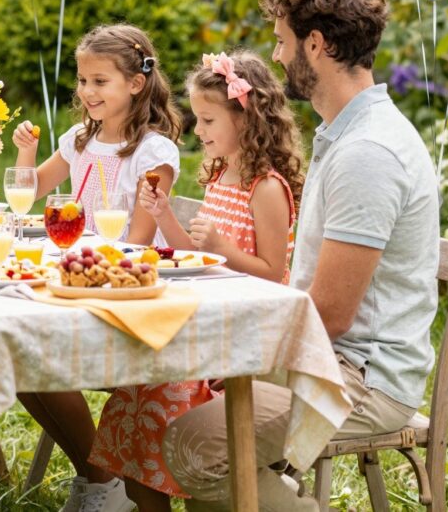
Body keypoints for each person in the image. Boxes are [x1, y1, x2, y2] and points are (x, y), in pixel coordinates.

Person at [162, 0, 440, 511]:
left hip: (358, 378)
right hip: (326, 354)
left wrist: (245, 341)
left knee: (195, 443)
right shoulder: (346, 134)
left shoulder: (368, 154)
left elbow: (331, 315)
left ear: (315, 44)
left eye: (283, 41)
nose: (279, 55)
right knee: (188, 400)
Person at [90, 49, 304, 511]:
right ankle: (143, 495)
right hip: (206, 326)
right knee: (133, 395)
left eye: (208, 121)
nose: (198, 131)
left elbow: (274, 275)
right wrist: (164, 215)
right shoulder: (222, 174)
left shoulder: (265, 187)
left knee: (157, 399)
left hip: (242, 342)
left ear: (245, 118)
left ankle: (184, 487)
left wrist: (227, 251)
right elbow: (196, 252)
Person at [11, 23, 183, 512]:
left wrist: (85, 266)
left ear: (136, 83)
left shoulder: (153, 153)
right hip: (78, 283)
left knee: (36, 358)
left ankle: (101, 482)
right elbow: (31, 190)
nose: (87, 92)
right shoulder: (79, 139)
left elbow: (138, 247)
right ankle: (99, 478)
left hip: (124, 300)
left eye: (100, 81)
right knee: (21, 360)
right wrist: (25, 151)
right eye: (83, 80)